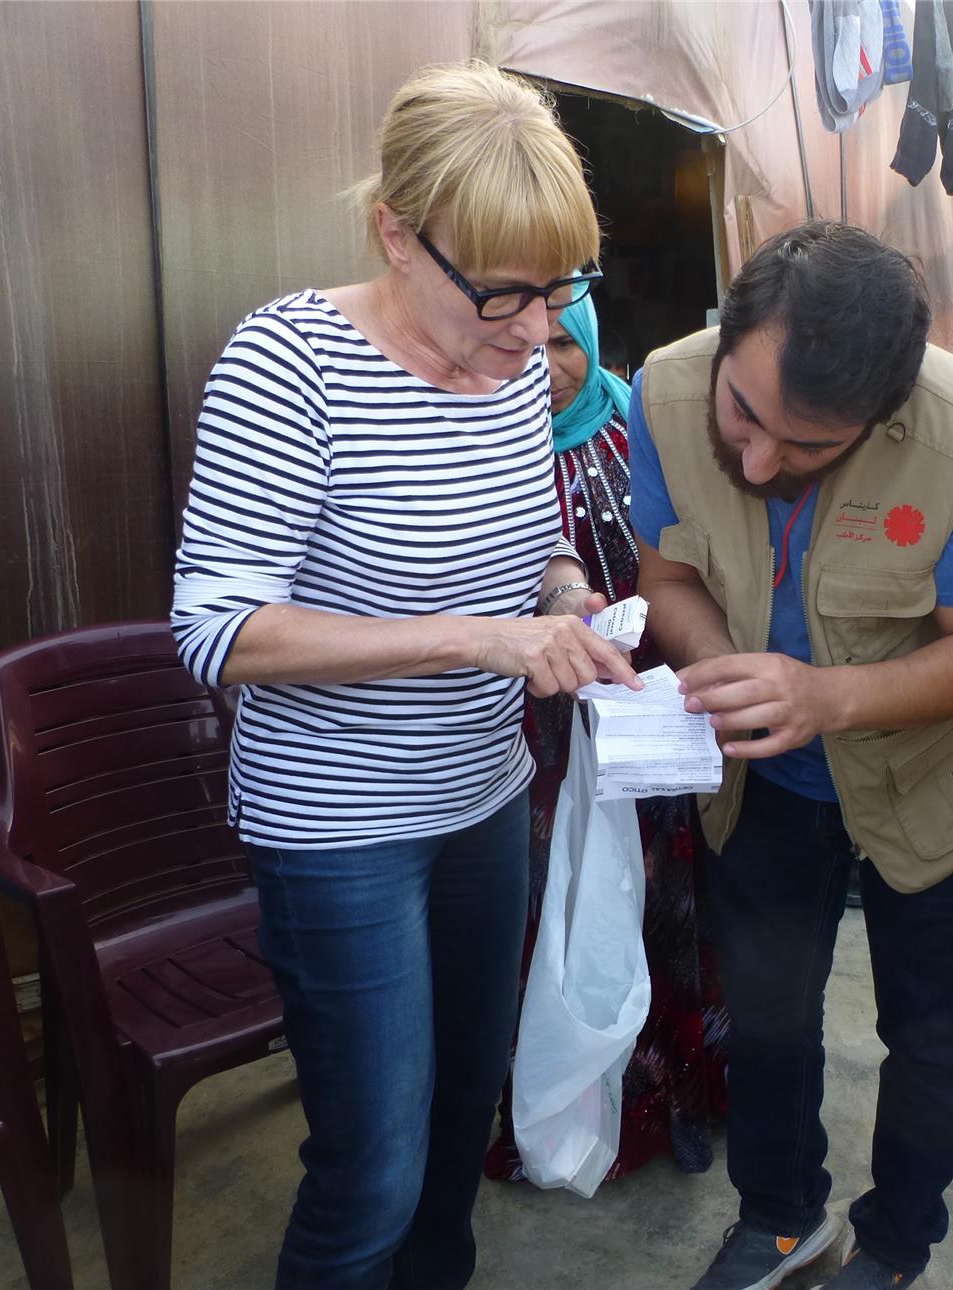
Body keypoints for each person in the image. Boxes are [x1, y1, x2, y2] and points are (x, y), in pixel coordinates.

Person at [169, 61, 639, 1290]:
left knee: (450, 1136)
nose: (537, 331)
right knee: (368, 1169)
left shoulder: (517, 365)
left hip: (481, 806)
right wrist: (479, 637)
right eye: (502, 293)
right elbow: (221, 628)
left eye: (559, 291)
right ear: (396, 234)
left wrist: (563, 599)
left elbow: (515, 537)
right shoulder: (291, 365)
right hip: (338, 830)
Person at [631, 221, 953, 1290]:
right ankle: (779, 1219)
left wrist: (825, 696)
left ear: (882, 413)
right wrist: (727, 671)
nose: (757, 461)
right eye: (743, 414)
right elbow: (667, 575)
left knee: (932, 1033)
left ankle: (897, 1243)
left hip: (931, 782)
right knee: (764, 1015)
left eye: (805, 447)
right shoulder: (665, 395)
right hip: (764, 780)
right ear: (726, 339)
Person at [483, 293, 729, 1183]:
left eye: (563, 344)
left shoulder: (638, 434)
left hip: (639, 723)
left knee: (660, 909)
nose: (544, 364)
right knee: (547, 917)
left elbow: (689, 567)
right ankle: (554, 1102)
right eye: (528, 343)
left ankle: (676, 1096)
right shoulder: (483, 443)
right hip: (530, 745)